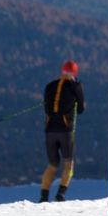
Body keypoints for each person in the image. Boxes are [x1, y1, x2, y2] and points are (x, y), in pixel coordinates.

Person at [39, 60, 85, 202]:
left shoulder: (50, 86)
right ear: (74, 73)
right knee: (68, 163)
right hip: (65, 130)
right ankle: (61, 194)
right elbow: (81, 109)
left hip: (50, 130)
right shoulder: (75, 86)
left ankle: (44, 196)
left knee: (52, 164)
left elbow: (46, 106)